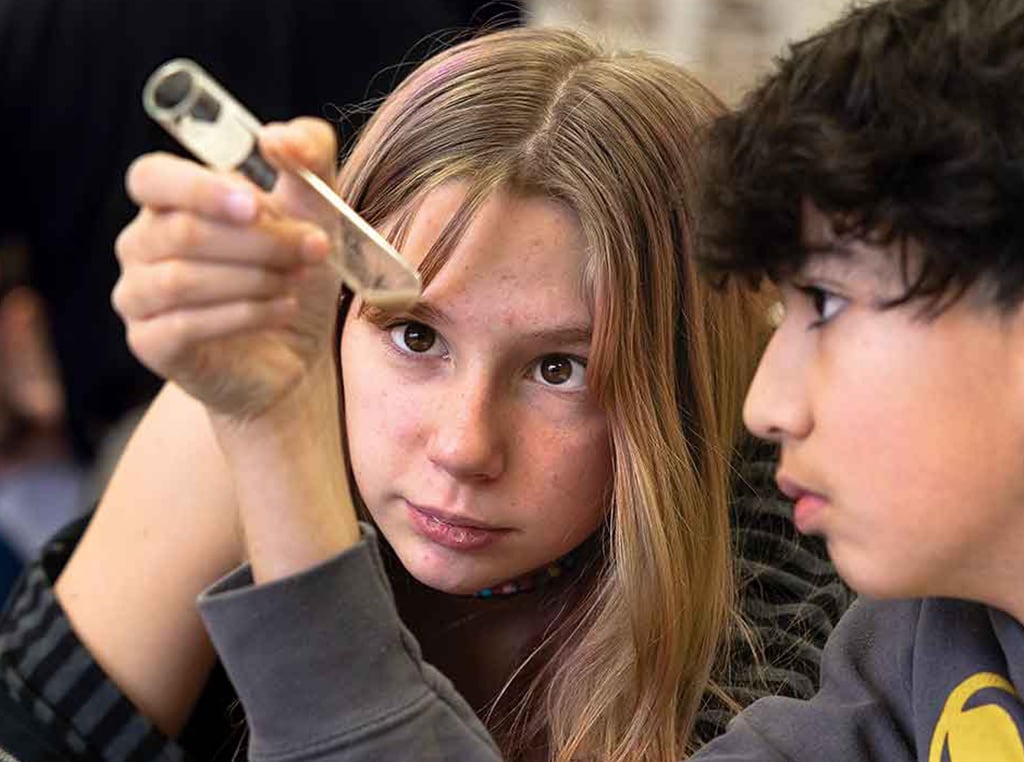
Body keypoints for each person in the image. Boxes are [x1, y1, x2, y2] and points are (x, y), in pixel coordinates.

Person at [0, 27, 850, 762]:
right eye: (416, 336)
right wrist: (272, 437)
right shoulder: (246, 415)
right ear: (337, 308)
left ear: (687, 395)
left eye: (561, 368)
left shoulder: (780, 556)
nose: (463, 447)